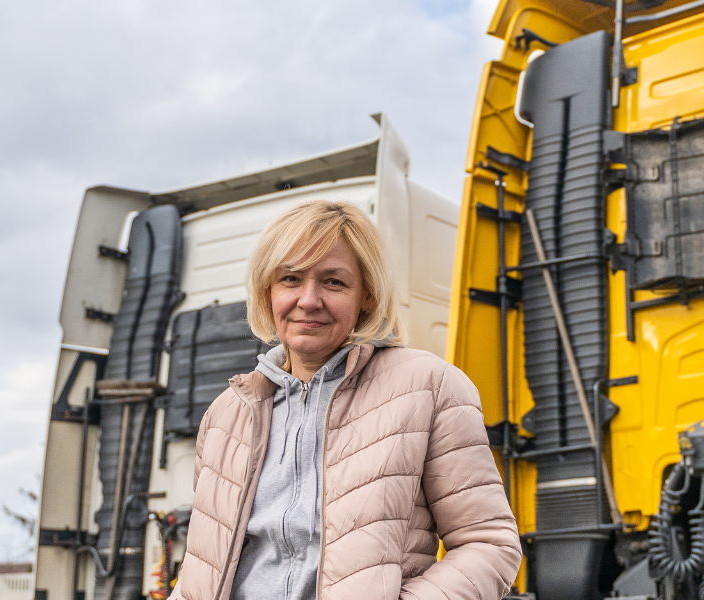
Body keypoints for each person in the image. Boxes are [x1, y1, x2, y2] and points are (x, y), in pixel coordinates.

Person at [168, 200, 521, 600]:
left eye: (333, 282)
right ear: (267, 291)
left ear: (367, 294)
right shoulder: (226, 415)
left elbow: (489, 544)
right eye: (290, 279)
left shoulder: (429, 386)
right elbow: (202, 568)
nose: (309, 299)